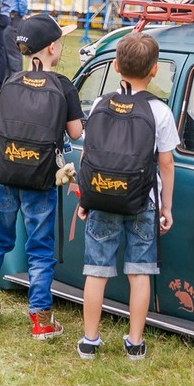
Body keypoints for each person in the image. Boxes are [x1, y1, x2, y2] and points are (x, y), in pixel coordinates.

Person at [0, 14, 84, 339]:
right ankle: (41, 319)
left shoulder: (10, 81)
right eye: (60, 42)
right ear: (50, 48)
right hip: (40, 179)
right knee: (40, 248)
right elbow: (75, 132)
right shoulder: (63, 86)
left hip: (4, 174)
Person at [76, 33, 179, 360]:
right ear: (154, 71)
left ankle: (90, 340)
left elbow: (87, 156)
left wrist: (84, 198)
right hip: (142, 202)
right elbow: (166, 163)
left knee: (96, 270)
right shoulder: (159, 111)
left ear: (117, 66)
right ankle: (134, 343)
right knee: (139, 273)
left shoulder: (100, 105)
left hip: (101, 198)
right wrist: (167, 207)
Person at [3, 0, 28, 80]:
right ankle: (8, 80)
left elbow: (22, 1)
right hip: (10, 17)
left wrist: (21, 15)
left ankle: (17, 79)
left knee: (13, 51)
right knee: (7, 50)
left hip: (15, 17)